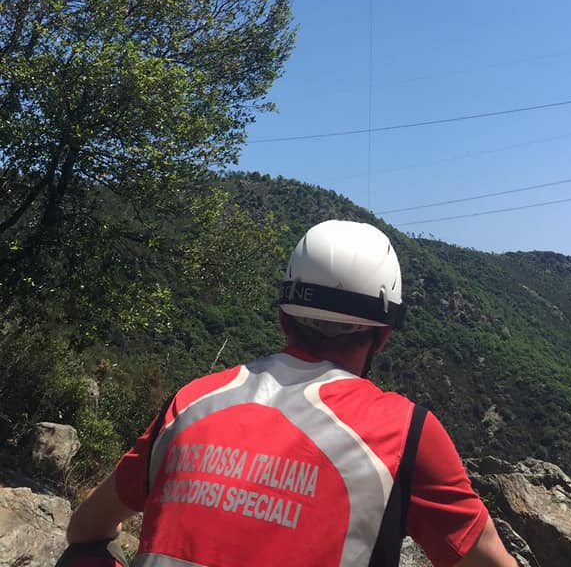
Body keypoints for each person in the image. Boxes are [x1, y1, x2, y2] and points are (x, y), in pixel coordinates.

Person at [65, 220, 517, 567]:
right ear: (382, 336)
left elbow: (85, 529)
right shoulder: (406, 434)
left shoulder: (192, 401)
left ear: (284, 318)